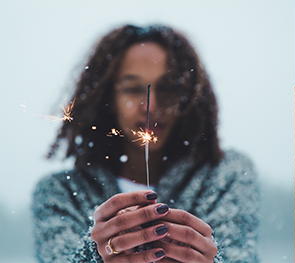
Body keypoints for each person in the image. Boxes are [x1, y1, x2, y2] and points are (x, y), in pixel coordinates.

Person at [32, 25, 259, 263]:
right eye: (132, 89)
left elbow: (241, 255)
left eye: (168, 88)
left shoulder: (226, 174)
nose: (150, 107)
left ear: (189, 97)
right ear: (108, 98)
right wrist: (92, 257)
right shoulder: (62, 193)